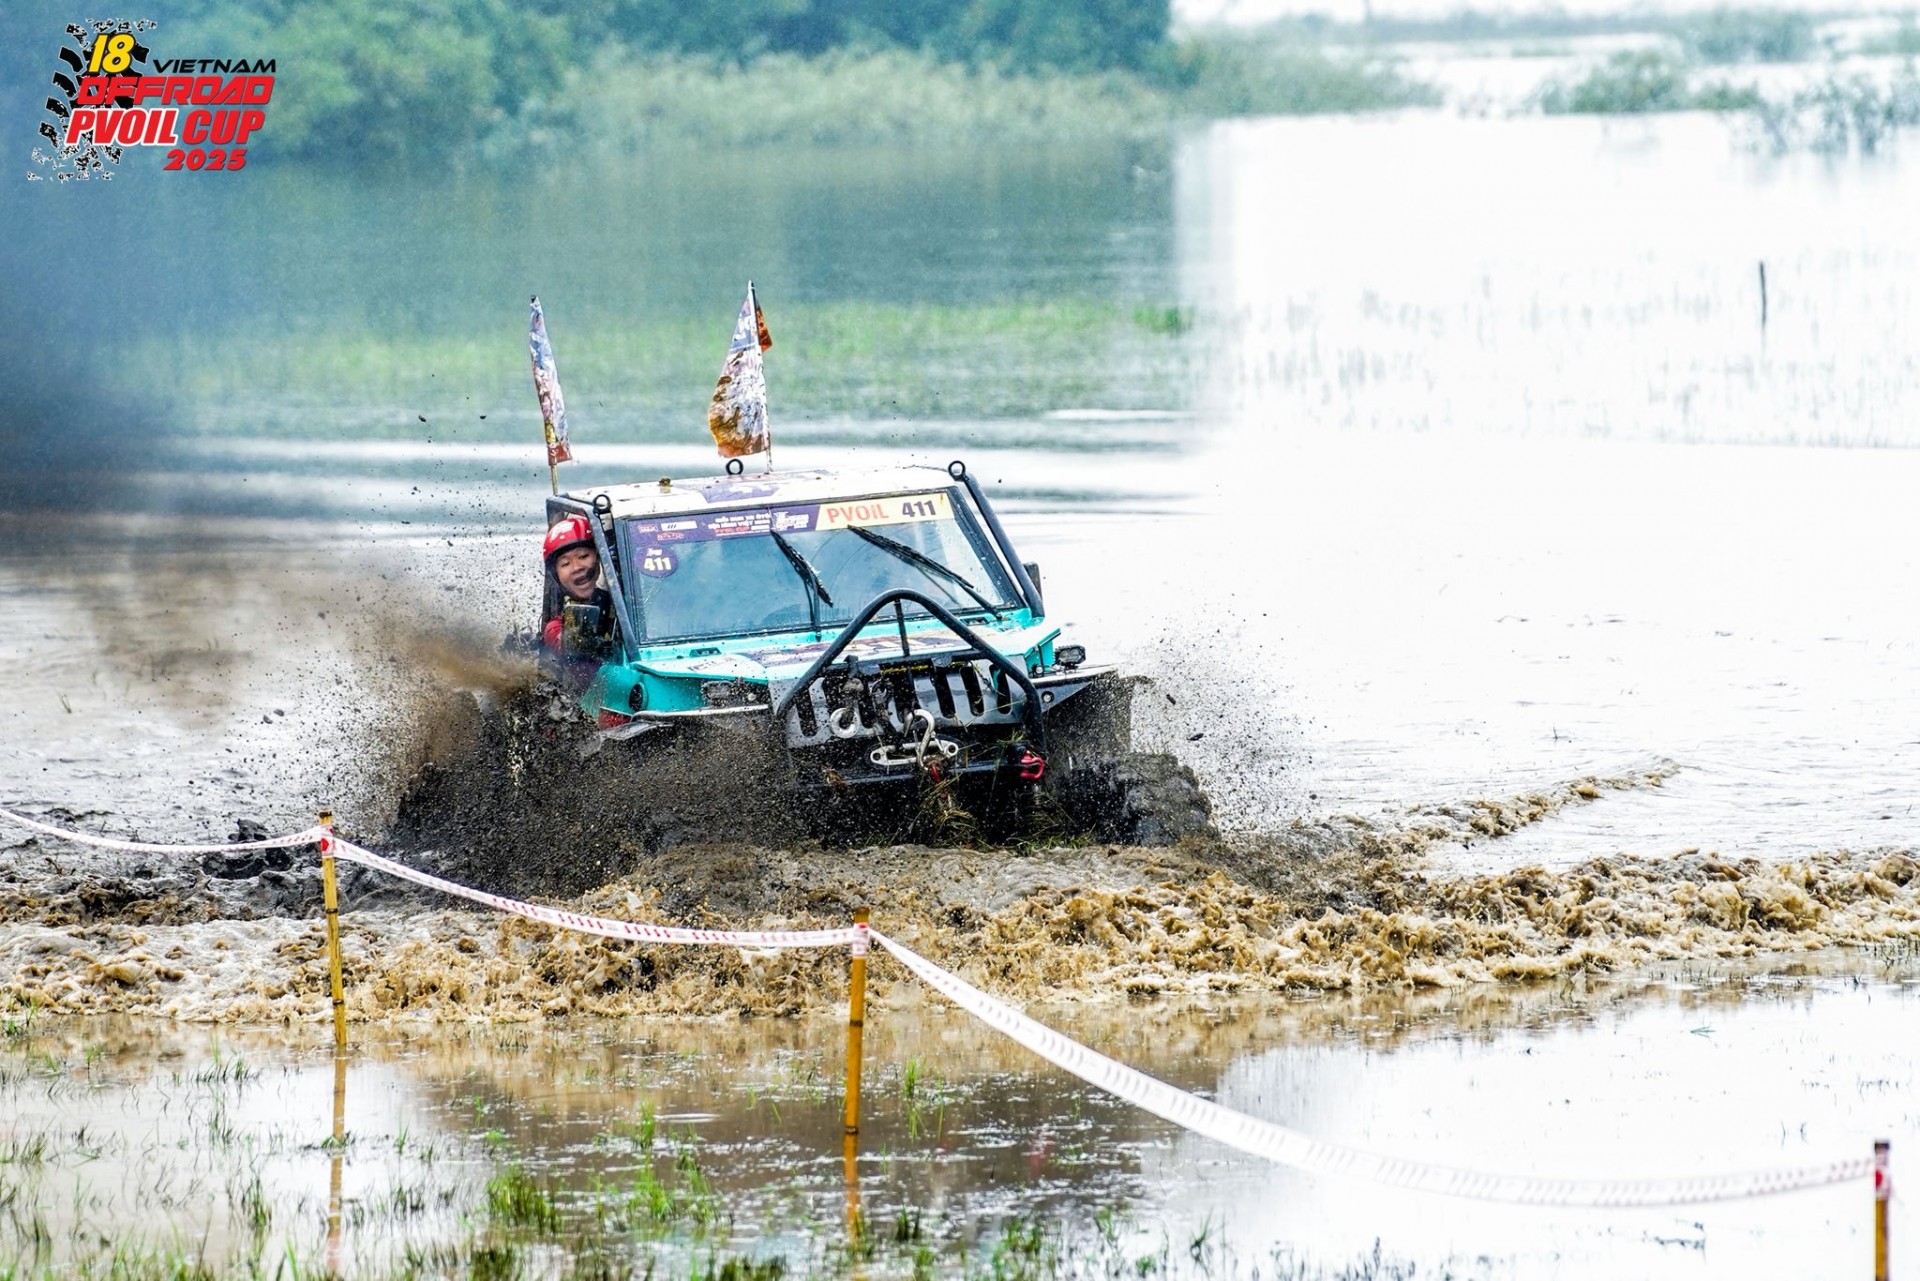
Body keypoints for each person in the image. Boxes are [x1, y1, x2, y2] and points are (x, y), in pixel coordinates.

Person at [540, 514, 617, 663]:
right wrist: (602, 587)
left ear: (600, 557)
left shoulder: (633, 600)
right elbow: (580, 645)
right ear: (557, 576)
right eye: (565, 564)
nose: (576, 568)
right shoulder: (554, 628)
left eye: (583, 556)